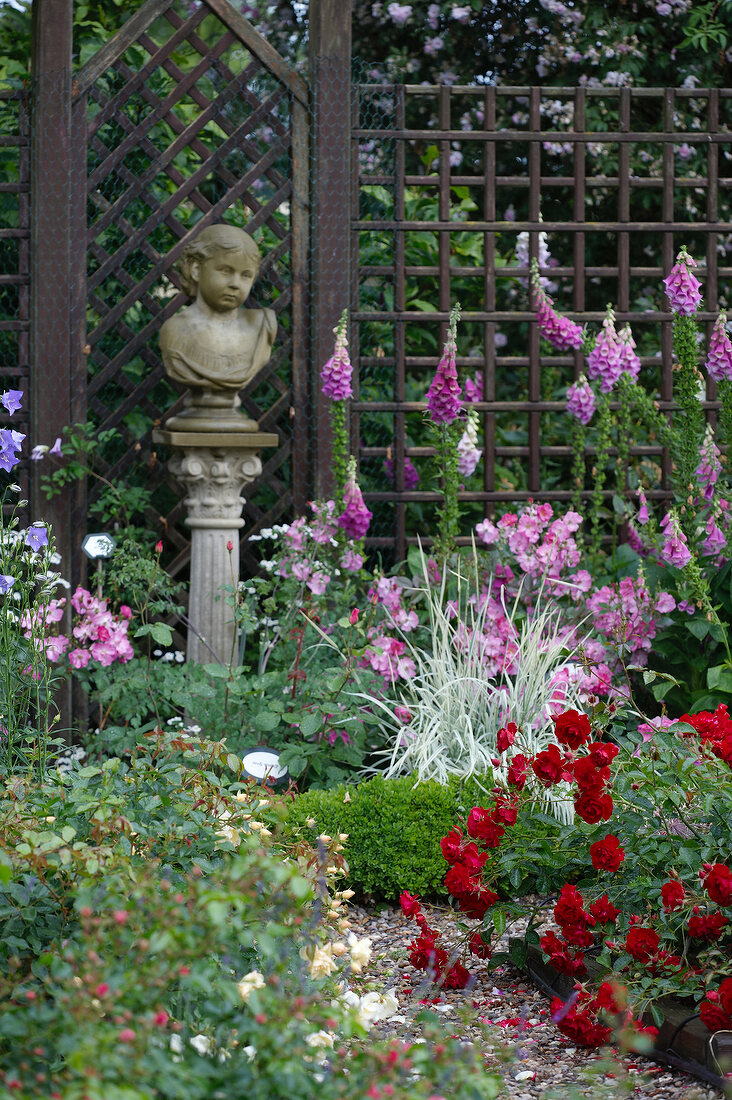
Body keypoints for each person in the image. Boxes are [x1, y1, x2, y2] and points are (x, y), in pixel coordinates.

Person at [160, 223, 276, 393]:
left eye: (246, 275)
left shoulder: (262, 326)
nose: (235, 284)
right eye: (225, 271)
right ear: (196, 270)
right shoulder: (176, 331)